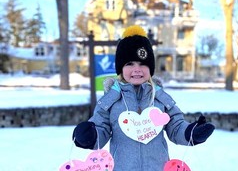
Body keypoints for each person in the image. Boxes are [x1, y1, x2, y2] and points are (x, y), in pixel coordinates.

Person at [73, 25, 215, 170]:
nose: (137, 69)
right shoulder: (111, 100)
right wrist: (89, 136)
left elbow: (176, 126)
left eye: (143, 64)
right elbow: (101, 128)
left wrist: (191, 133)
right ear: (120, 68)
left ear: (150, 68)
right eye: (129, 64)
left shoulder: (160, 98)